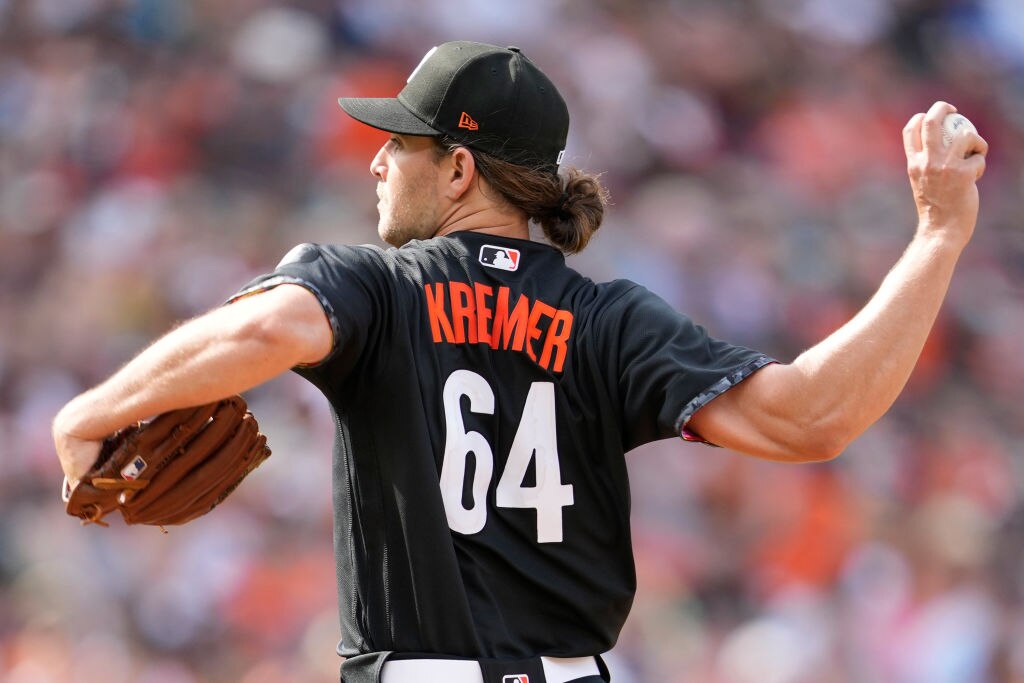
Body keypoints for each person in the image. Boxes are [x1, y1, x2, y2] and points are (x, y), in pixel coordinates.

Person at [52, 41, 988, 683]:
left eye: (401, 142)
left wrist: (87, 413)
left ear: (459, 169)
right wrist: (939, 238)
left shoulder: (373, 287)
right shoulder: (612, 319)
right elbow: (811, 418)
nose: (377, 162)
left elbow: (261, 334)